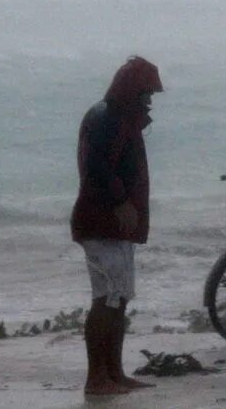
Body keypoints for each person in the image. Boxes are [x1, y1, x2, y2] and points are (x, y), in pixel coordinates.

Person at [70, 56, 163, 396]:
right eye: (146, 93)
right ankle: (97, 378)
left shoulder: (118, 117)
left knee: (119, 298)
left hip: (117, 225)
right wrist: (120, 201)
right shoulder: (107, 119)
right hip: (101, 221)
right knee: (106, 297)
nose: (150, 101)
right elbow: (96, 167)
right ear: (132, 91)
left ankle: (115, 372)